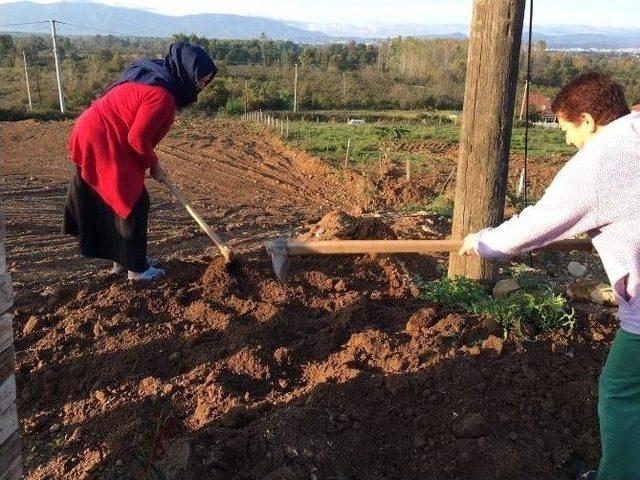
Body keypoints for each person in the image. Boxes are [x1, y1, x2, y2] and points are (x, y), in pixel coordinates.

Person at [458, 72, 638, 480]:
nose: (567, 141)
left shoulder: (598, 162)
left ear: (589, 120)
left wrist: (483, 242)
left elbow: (537, 224)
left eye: (566, 129)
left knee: (620, 391)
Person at [63, 41, 216, 280]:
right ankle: (137, 269)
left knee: (123, 200)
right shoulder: (162, 95)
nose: (201, 86)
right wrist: (154, 164)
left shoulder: (158, 75)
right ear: (187, 71)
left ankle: (127, 260)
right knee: (134, 202)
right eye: (200, 79)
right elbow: (137, 138)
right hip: (103, 138)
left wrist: (149, 162)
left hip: (101, 133)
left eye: (205, 82)